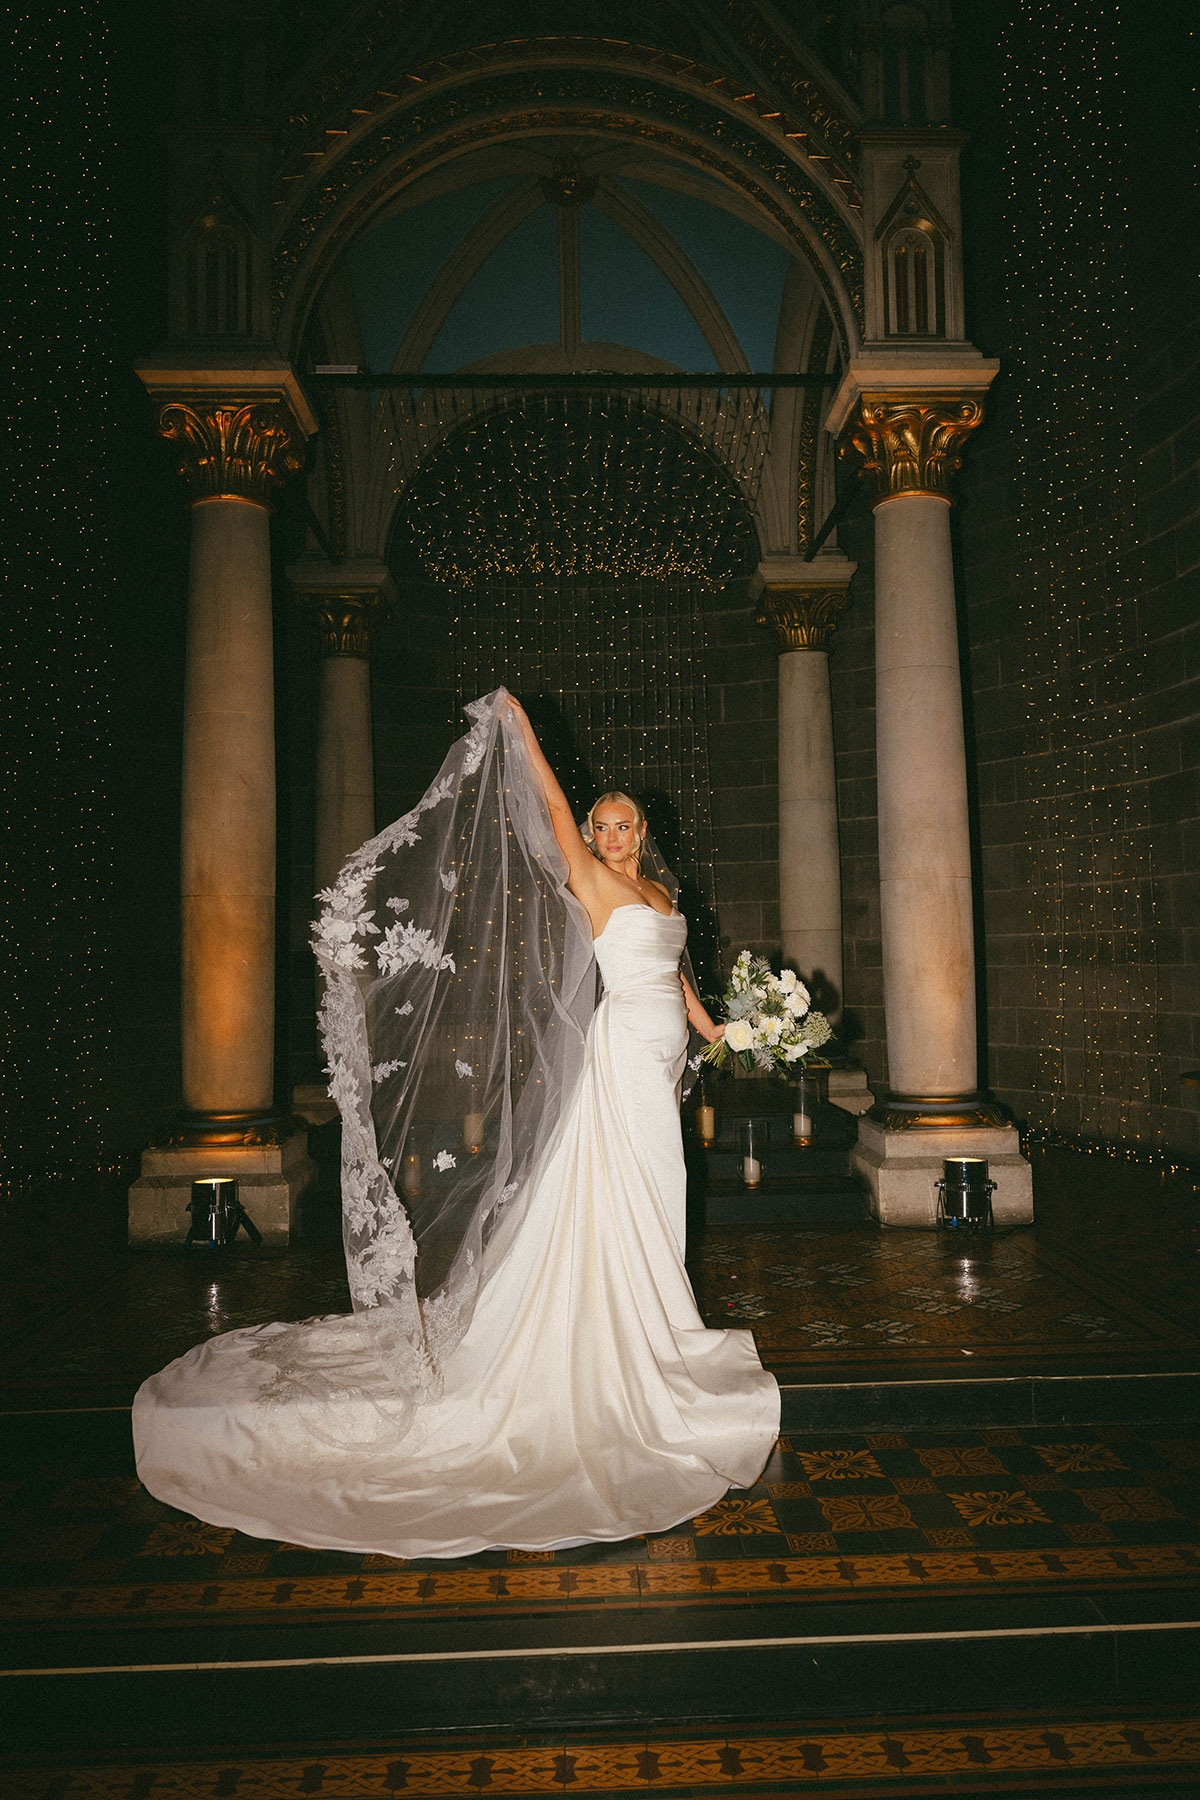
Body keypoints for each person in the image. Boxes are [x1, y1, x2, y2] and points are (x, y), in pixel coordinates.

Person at [133, 691, 779, 1558]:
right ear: (589, 838)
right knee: (631, 1187)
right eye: (604, 825)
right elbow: (549, 806)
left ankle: (663, 1327)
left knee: (664, 1189)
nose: (616, 835)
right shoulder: (584, 880)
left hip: (663, 1061)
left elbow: (682, 979)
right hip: (621, 1058)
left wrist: (727, 1031)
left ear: (641, 831)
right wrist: (520, 729)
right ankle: (639, 1343)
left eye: (626, 824)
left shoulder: (661, 889)